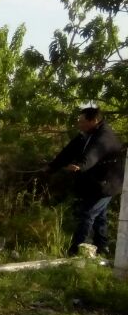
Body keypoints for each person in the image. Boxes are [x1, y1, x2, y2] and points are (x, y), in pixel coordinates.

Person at [47, 105, 124, 256]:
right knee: (99, 217)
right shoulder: (86, 134)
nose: (79, 124)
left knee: (88, 214)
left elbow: (94, 154)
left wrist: (80, 165)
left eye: (82, 121)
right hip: (95, 184)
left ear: (94, 121)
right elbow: (68, 152)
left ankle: (75, 252)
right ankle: (102, 248)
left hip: (107, 184)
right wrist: (51, 167)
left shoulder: (104, 136)